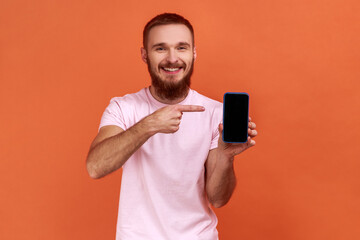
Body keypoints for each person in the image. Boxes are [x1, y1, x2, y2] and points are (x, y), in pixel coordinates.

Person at [86, 13, 257, 240]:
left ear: (194, 53)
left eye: (182, 48)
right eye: (160, 48)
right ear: (144, 55)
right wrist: (149, 125)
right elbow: (95, 167)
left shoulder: (216, 113)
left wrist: (226, 157)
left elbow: (218, 199)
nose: (172, 58)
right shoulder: (123, 107)